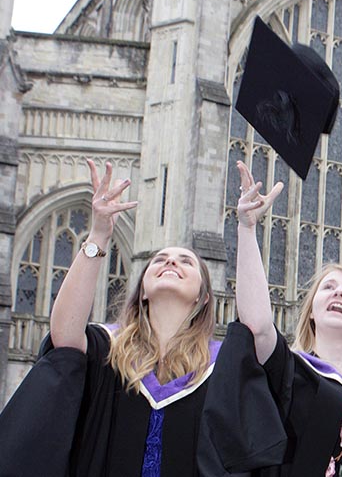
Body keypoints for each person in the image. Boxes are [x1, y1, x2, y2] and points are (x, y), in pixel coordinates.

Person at [0, 159, 220, 477]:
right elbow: (64, 336)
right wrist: (99, 235)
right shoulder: (109, 348)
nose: (171, 260)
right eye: (160, 259)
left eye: (186, 261)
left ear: (202, 296)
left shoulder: (218, 367)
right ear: (142, 291)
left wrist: (246, 228)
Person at [198, 161, 342, 477]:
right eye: (329, 288)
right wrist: (247, 228)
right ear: (311, 310)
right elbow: (256, 326)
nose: (339, 293)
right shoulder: (291, 374)